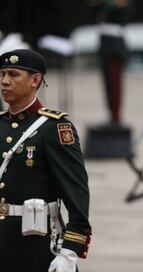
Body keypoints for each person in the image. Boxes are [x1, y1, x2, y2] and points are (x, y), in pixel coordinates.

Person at [0, 49, 91, 272]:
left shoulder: (54, 128)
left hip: (35, 245)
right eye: (2, 74)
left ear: (35, 80)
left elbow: (76, 194)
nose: (4, 81)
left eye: (13, 74)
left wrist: (70, 251)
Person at [96, 0, 131, 124]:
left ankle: (116, 116)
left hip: (114, 48)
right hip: (106, 47)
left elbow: (110, 7)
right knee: (108, 85)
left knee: (114, 85)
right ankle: (112, 114)